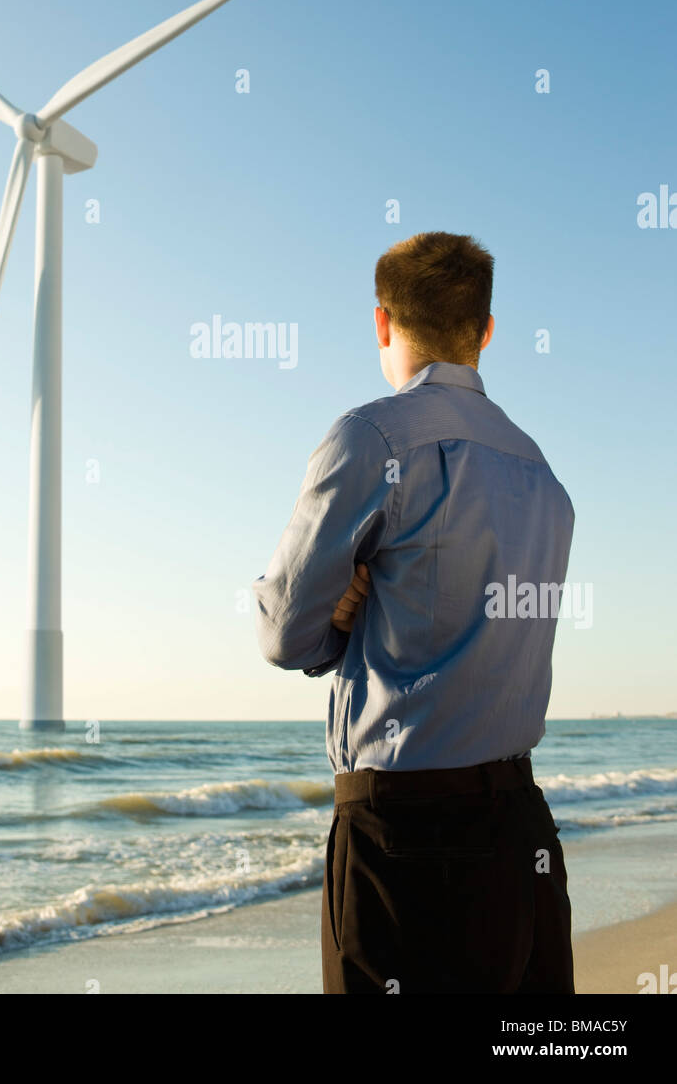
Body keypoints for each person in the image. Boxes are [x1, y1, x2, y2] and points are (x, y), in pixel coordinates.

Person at [252, 232, 575, 995]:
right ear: (485, 331)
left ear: (380, 322)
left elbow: (280, 635)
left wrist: (340, 615)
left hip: (402, 836)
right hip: (520, 832)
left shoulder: (368, 438)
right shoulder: (542, 473)